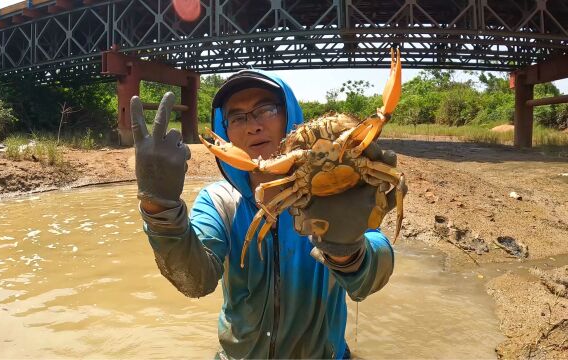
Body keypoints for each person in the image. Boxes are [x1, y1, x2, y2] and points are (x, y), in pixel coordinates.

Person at [132, 70, 404, 359]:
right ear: (226, 132)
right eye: (237, 118)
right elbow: (194, 281)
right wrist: (159, 207)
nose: (253, 126)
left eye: (266, 109)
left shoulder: (341, 188)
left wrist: (345, 251)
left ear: (289, 114)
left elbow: (369, 281)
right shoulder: (219, 201)